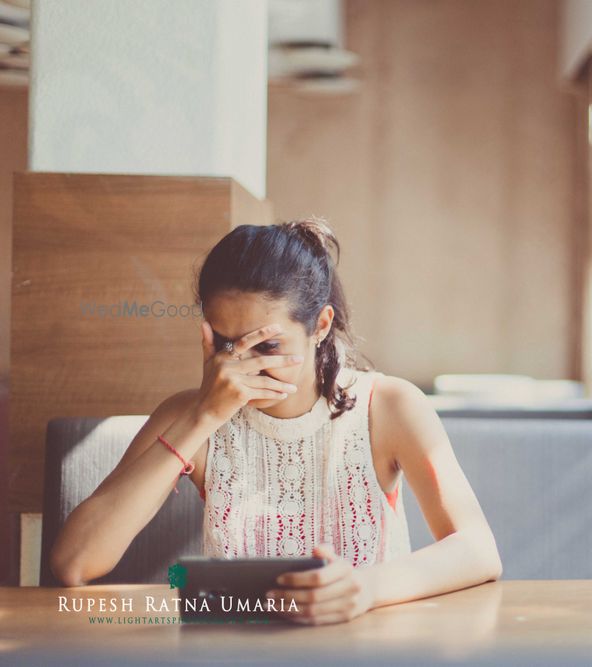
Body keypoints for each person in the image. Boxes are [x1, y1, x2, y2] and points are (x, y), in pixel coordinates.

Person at [49, 217, 502, 625]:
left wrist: (366, 590)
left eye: (266, 347)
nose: (241, 366)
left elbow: (479, 550)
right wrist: (202, 417)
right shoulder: (190, 417)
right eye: (225, 345)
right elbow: (75, 563)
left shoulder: (387, 407)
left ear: (320, 326)